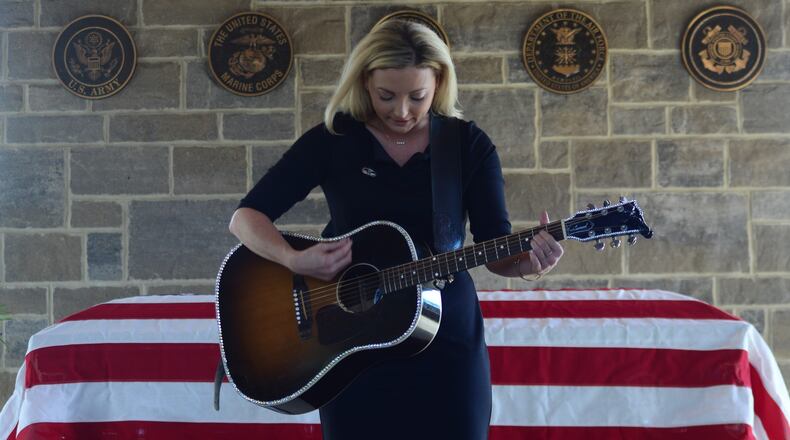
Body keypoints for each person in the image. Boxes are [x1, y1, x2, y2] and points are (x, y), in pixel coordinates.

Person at [228, 19, 564, 440]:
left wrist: (529, 262)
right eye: (386, 95)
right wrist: (293, 258)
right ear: (364, 82)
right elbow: (246, 217)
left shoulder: (468, 145)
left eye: (417, 97)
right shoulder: (333, 140)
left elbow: (495, 249)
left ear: (439, 83)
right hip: (349, 346)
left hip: (445, 342)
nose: (401, 111)